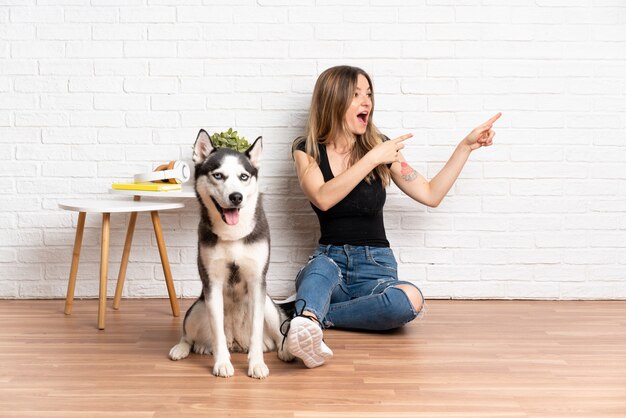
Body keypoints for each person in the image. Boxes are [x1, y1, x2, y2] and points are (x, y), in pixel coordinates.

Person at [284, 65, 501, 368]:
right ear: (334, 100)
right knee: (317, 272)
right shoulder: (306, 150)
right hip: (329, 261)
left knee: (409, 299)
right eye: (356, 95)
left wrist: (465, 147)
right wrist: (373, 157)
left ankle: (306, 317)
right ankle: (309, 315)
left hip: (376, 267)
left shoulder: (381, 147)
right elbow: (322, 197)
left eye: (369, 94)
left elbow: (430, 194)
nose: (367, 102)